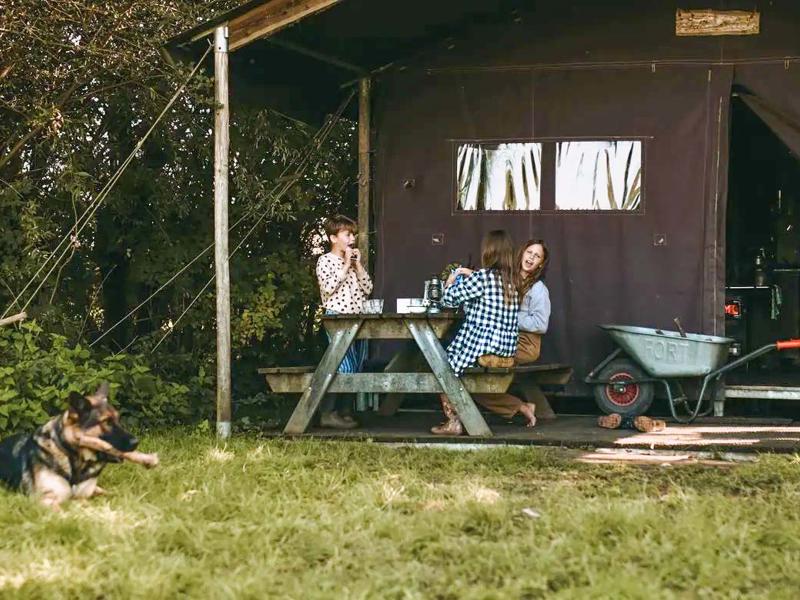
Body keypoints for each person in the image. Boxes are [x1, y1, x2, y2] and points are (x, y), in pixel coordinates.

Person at [431, 230, 519, 435]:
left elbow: (448, 300)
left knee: (442, 369)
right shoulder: (511, 282)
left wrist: (453, 278)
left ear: (488, 252)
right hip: (506, 348)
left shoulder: (482, 278)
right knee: (447, 364)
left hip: (483, 345)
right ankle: (461, 417)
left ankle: (454, 421)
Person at [471, 239, 551, 427]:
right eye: (529, 252)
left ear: (541, 263)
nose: (531, 257)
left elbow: (541, 324)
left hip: (525, 345)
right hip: (502, 339)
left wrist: (508, 316)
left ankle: (519, 407)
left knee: (468, 371)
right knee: (465, 374)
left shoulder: (538, 289)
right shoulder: (506, 279)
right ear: (522, 253)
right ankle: (521, 407)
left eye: (537, 256)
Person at [315, 215, 372, 429]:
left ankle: (345, 411)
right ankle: (328, 413)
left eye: (353, 235)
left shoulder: (354, 263)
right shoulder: (326, 261)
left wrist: (357, 267)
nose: (352, 239)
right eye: (347, 235)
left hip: (357, 318)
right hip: (337, 319)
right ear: (333, 238)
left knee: (356, 366)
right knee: (342, 365)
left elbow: (368, 288)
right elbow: (328, 288)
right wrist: (346, 264)